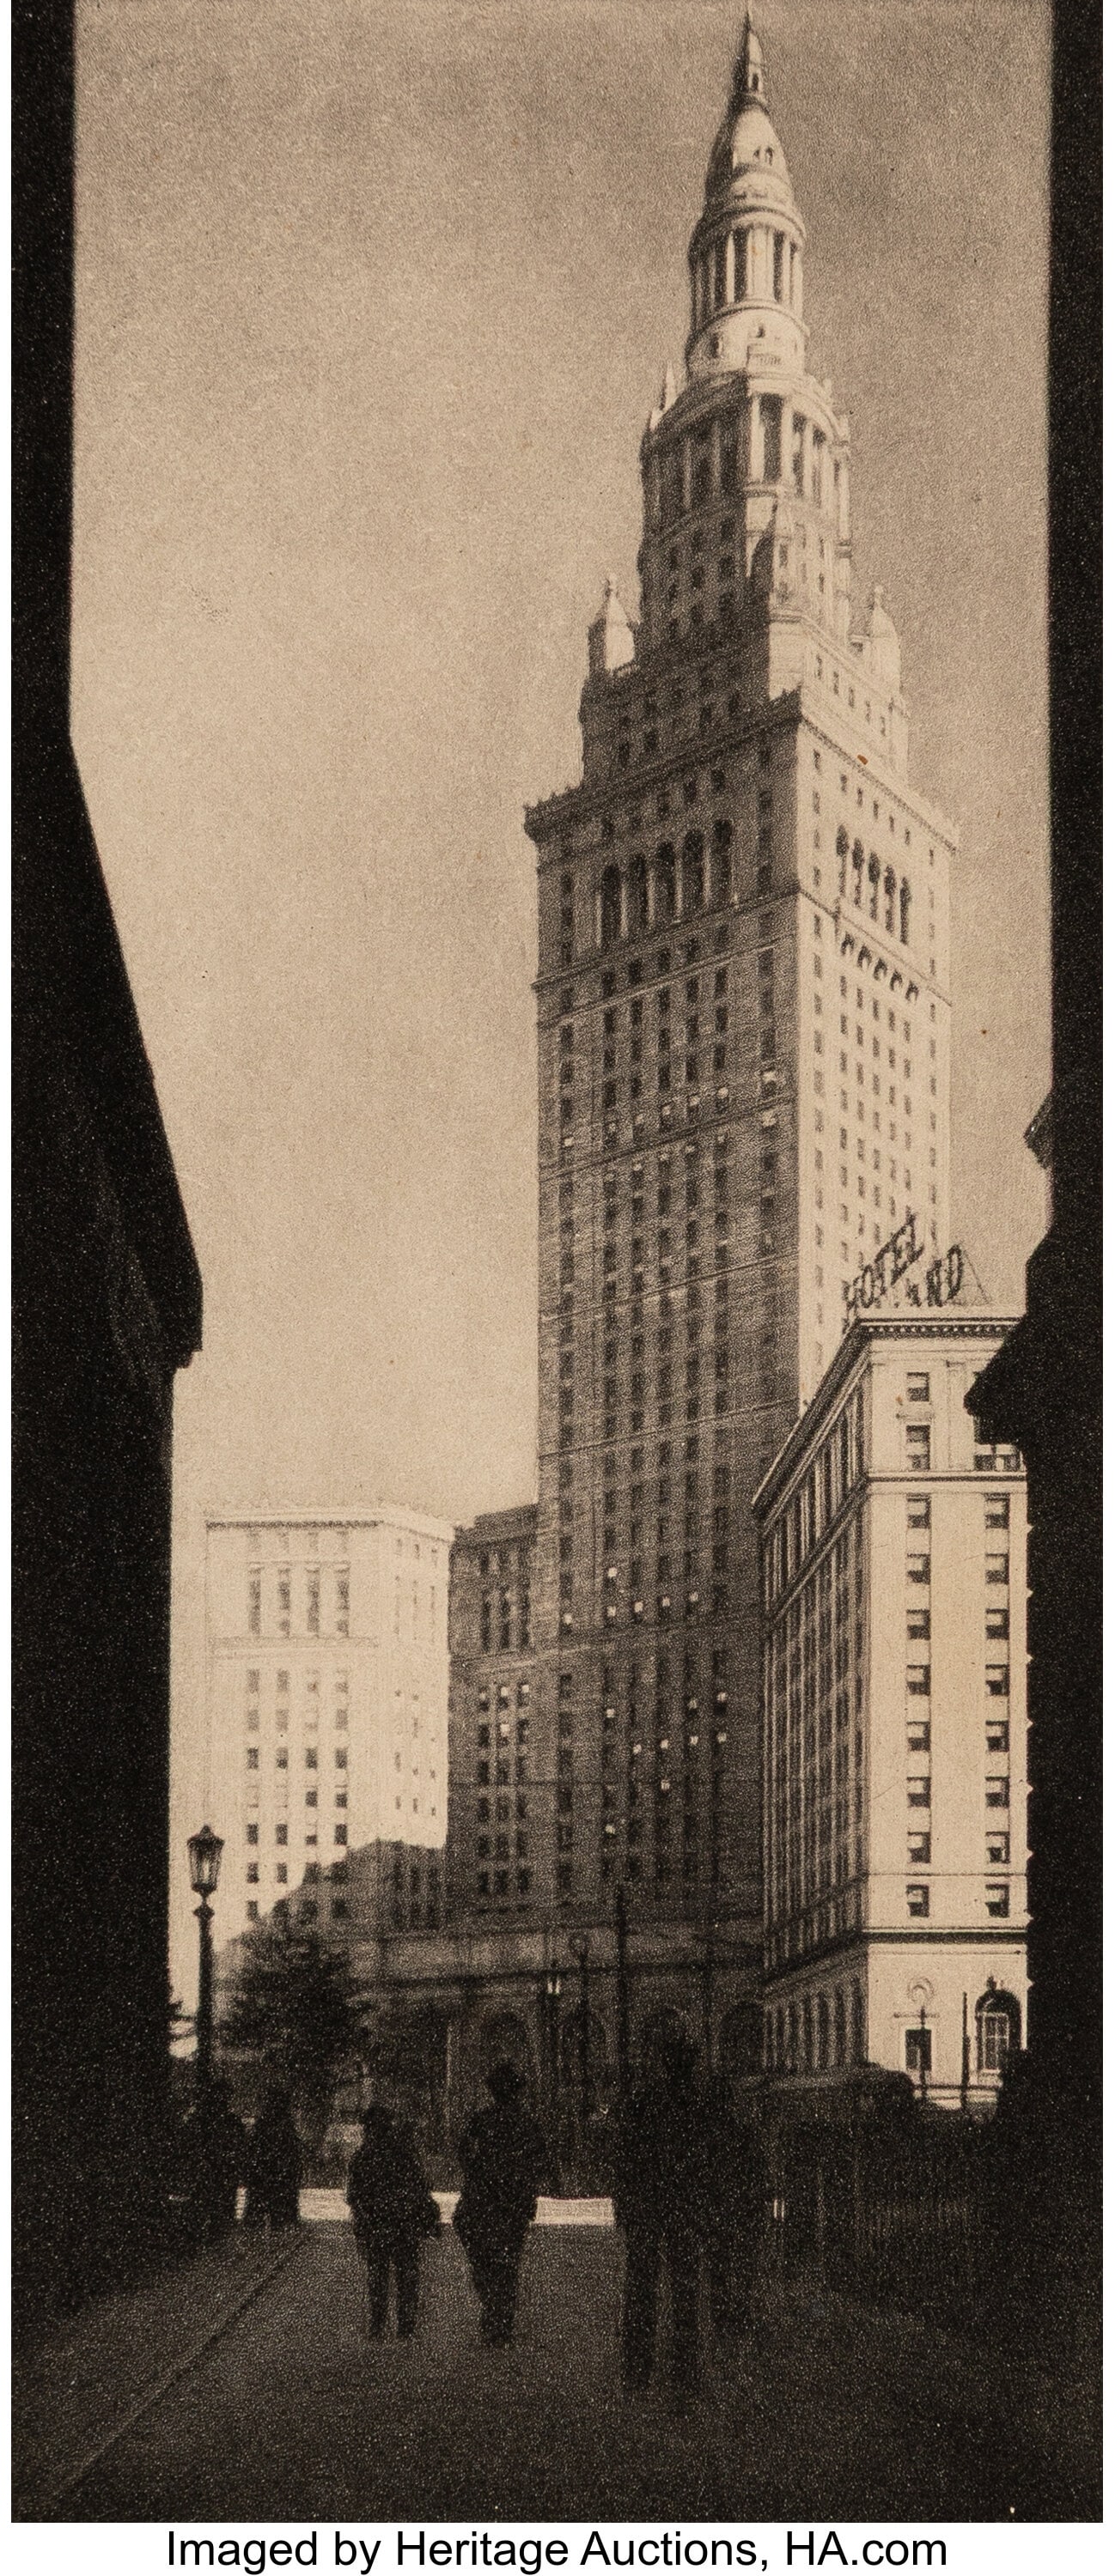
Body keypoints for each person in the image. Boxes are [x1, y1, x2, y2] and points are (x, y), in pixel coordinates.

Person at [612, 2032, 711, 2399]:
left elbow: (624, 2157)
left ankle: (636, 2373)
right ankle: (684, 2376)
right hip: (683, 2208)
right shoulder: (700, 2106)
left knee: (640, 2288)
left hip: (647, 2208)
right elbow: (710, 2164)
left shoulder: (643, 2102)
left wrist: (624, 2204)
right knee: (685, 2293)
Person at [454, 2061, 547, 2347]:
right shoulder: (524, 2123)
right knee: (506, 2263)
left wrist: (477, 2173)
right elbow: (539, 2162)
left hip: (485, 2201)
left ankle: (495, 2314)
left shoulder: (483, 2121)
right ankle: (500, 2318)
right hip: (509, 2203)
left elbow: (465, 2154)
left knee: (485, 2261)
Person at [346, 2103, 439, 2338]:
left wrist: (363, 2220)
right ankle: (405, 2327)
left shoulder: (363, 2157)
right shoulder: (403, 2154)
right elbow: (421, 2187)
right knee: (406, 2274)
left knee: (378, 2275)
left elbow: (354, 2196)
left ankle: (378, 2326)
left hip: (376, 2225)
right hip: (403, 2224)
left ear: (367, 2128)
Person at [702, 2074, 769, 2348]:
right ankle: (738, 2311)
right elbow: (758, 2171)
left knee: (720, 2265)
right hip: (741, 2211)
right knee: (741, 2264)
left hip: (719, 2211)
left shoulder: (708, 2139)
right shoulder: (745, 2134)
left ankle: (722, 2314)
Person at [244, 2084, 302, 2230]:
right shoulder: (284, 2126)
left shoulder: (264, 2125)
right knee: (278, 2218)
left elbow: (254, 2151)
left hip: (266, 2176)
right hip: (277, 2176)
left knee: (259, 2218)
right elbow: (292, 2154)